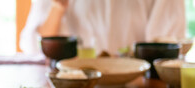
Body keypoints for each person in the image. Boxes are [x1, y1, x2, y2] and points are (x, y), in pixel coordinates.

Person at [20, 0, 186, 56]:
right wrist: (58, 6)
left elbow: (168, 44)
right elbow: (36, 46)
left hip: (137, 85)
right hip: (75, 83)